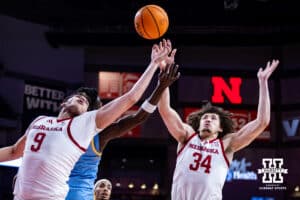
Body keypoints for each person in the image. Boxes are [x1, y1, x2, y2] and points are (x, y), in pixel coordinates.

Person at [0, 39, 173, 200]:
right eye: (78, 96)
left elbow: (132, 102)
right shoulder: (40, 121)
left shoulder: (85, 126)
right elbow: (15, 151)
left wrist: (155, 69)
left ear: (88, 112)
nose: (82, 99)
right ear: (63, 103)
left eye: (87, 103)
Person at [158, 60, 279, 200]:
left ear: (220, 128)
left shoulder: (226, 144)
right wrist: (163, 75)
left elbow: (262, 122)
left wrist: (263, 82)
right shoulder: (187, 136)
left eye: (213, 118)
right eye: (205, 118)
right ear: (199, 124)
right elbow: (164, 110)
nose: (208, 119)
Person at [66, 60, 179, 200]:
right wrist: (161, 85)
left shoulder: (96, 136)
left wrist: (161, 86)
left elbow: (138, 117)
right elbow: (138, 116)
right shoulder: (55, 128)